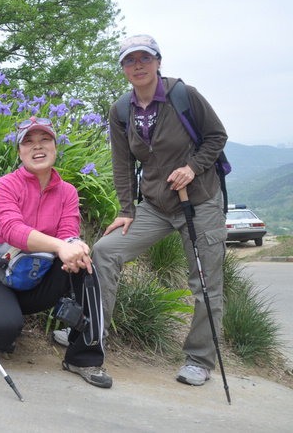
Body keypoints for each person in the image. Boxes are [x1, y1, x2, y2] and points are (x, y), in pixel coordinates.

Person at [92, 34, 228, 387]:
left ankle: (199, 360)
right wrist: (126, 209)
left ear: (158, 61)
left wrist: (193, 167)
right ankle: (94, 336)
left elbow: (216, 136)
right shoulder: (122, 109)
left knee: (205, 283)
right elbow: (121, 163)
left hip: (199, 203)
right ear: (123, 68)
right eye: (129, 60)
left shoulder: (184, 96)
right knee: (105, 251)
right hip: (154, 205)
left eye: (144, 58)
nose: (137, 65)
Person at [0, 117, 112, 388]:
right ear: (19, 152)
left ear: (55, 148)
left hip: (32, 276)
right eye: (28, 141)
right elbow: (12, 230)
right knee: (0, 332)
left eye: (44, 140)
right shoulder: (5, 185)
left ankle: (83, 357)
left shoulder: (67, 192)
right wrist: (60, 246)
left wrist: (75, 246)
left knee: (85, 263)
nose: (37, 146)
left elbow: (69, 231)